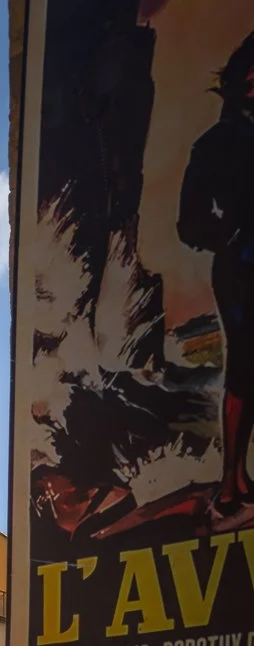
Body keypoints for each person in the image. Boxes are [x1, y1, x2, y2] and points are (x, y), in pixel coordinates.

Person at [179, 31, 254, 514]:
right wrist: (229, 235)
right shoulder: (215, 143)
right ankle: (231, 480)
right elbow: (190, 221)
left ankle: (233, 480)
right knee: (246, 364)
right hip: (242, 266)